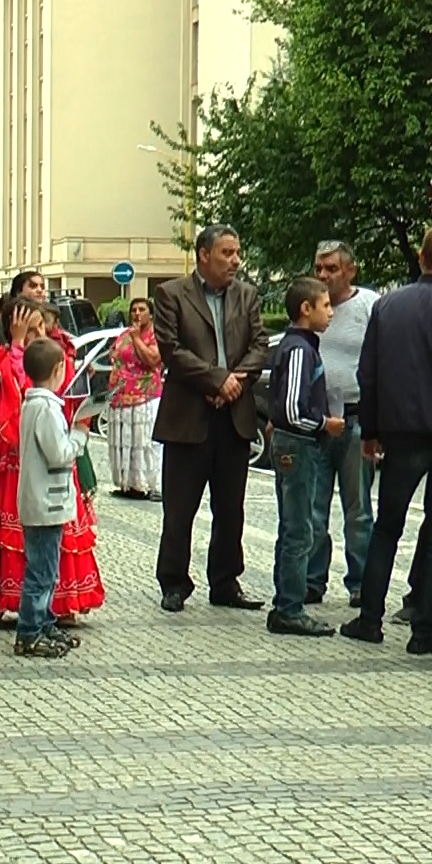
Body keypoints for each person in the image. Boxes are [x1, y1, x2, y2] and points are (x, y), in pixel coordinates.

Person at [341, 225, 432, 652]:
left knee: (387, 526)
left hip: (401, 435)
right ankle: (425, 628)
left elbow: (366, 374)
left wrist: (370, 431)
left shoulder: (387, 307)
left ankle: (369, 618)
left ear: (421, 256)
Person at [151, 225, 272, 613]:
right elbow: (171, 349)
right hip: (188, 416)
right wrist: (216, 379)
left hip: (234, 416)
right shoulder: (171, 295)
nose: (235, 260)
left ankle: (225, 581)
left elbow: (260, 345)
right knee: (180, 507)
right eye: (227, 253)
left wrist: (234, 382)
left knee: (231, 506)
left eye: (237, 252)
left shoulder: (247, 295)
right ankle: (173, 582)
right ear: (204, 255)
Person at [0, 298, 106, 627]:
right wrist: (17, 344)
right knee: (33, 545)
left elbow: (66, 394)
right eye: (31, 330)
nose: (39, 335)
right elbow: (17, 387)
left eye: (41, 328)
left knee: (53, 542)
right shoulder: (11, 359)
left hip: (55, 454)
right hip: (21, 458)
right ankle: (28, 618)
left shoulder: (55, 356)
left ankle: (58, 606)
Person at [264, 278, 340, 637]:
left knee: (293, 526)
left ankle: (286, 602)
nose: (331, 311)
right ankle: (289, 608)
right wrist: (326, 423)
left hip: (294, 443)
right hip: (298, 444)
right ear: (305, 309)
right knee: (299, 529)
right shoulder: (299, 350)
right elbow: (293, 409)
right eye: (325, 305)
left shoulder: (304, 346)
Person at [307, 241, 379, 606]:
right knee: (313, 509)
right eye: (319, 268)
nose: (323, 275)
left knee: (359, 510)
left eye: (331, 268)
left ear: (350, 270)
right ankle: (312, 580)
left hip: (355, 418)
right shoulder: (309, 307)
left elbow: (383, 359)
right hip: (317, 422)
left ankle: (361, 582)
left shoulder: (368, 305)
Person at [15, 338, 91, 659]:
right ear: (59, 369)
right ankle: (29, 632)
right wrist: (79, 436)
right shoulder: (45, 409)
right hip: (45, 503)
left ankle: (43, 622)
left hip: (45, 501)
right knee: (41, 572)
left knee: (47, 568)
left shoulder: (36, 404)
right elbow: (59, 453)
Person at [106, 296, 164, 501]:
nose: (137, 314)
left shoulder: (155, 335)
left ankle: (149, 485)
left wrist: (138, 338)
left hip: (145, 397)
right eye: (134, 310)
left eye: (142, 309)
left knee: (144, 443)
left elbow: (152, 360)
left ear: (151, 313)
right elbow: (113, 354)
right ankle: (128, 485)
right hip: (121, 397)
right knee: (124, 443)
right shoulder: (124, 334)